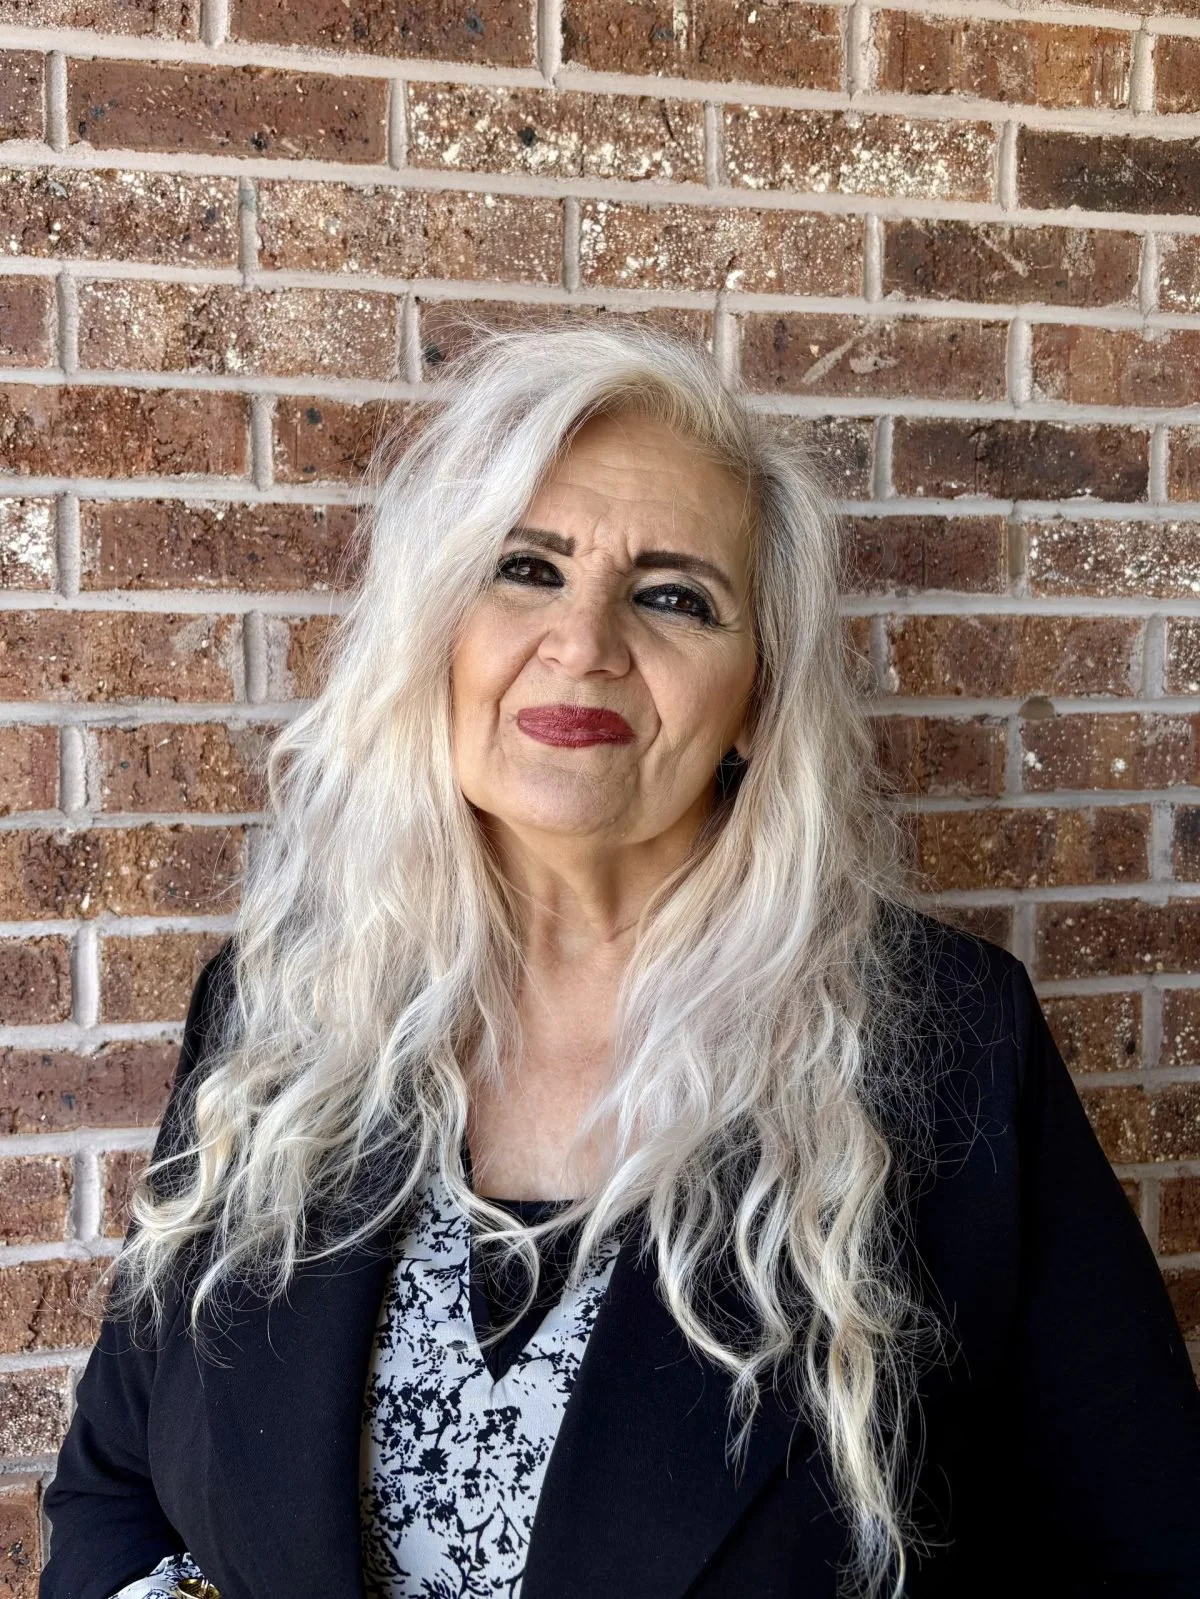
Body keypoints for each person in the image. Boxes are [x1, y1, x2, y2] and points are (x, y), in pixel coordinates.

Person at [38, 319, 1200, 1599]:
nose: (585, 640)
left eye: (672, 596)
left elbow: (1137, 1547)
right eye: (525, 568)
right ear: (435, 628)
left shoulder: (940, 1048)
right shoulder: (286, 1005)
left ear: (757, 693)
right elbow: (117, 1482)